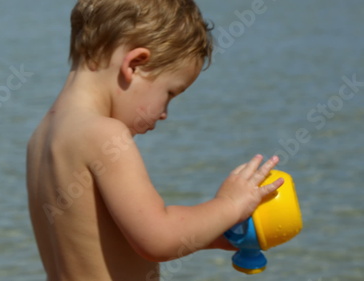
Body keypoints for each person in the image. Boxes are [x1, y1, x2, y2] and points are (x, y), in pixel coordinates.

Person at [26, 0, 283, 280]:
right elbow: (158, 239)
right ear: (135, 64)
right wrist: (230, 205)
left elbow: (110, 239)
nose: (164, 114)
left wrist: (214, 234)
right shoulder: (105, 135)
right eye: (170, 93)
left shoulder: (41, 137)